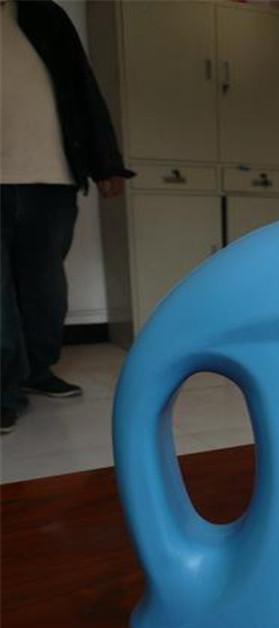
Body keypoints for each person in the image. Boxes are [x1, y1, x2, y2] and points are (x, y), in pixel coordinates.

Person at [1, 0, 133, 434]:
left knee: (46, 291)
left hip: (51, 179)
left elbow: (81, 85)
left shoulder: (45, 14)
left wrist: (106, 162)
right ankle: (3, 391)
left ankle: (36, 370)